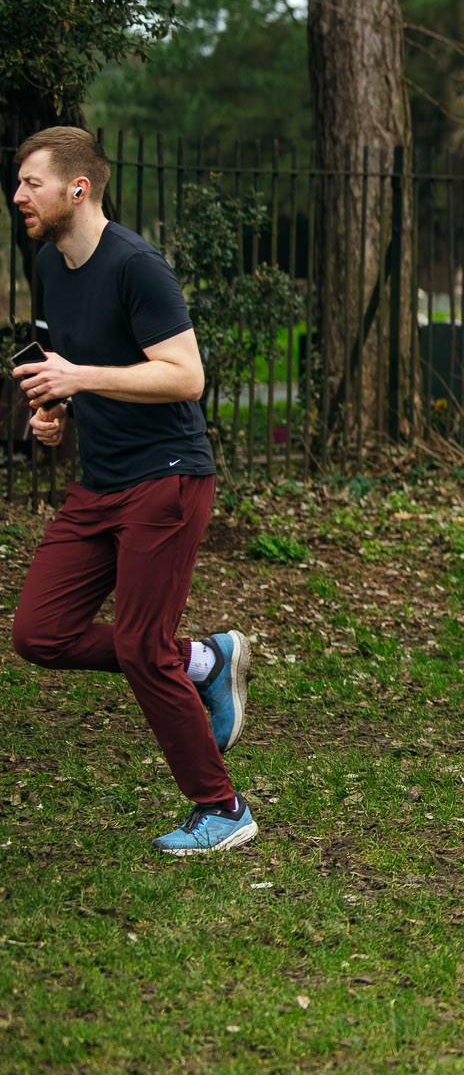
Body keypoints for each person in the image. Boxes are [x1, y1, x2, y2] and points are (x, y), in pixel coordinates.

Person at [8, 127, 255, 854]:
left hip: (168, 478)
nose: (19, 195)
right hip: (102, 483)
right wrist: (53, 411)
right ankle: (204, 660)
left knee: (144, 647)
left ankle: (223, 807)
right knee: (38, 633)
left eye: (32, 183)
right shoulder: (51, 264)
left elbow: (185, 376)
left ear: (77, 189)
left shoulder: (137, 266)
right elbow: (66, 358)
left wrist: (78, 378)